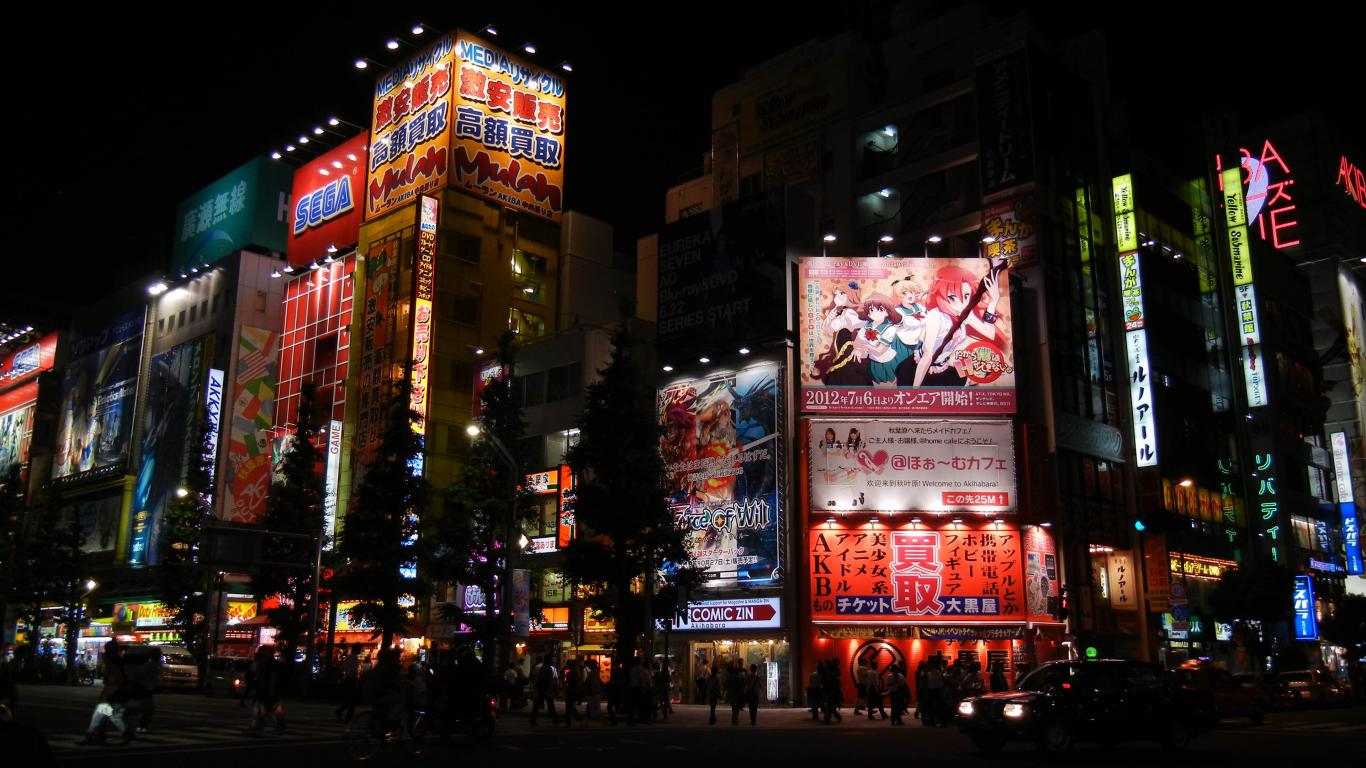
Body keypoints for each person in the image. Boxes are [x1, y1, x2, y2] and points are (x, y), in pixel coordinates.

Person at [80, 640, 131, 745]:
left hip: (111, 694)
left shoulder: (112, 662)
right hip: (114, 694)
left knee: (102, 716)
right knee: (109, 716)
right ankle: (100, 735)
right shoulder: (118, 661)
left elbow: (118, 678)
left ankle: (92, 736)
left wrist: (110, 685)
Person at [249, 645, 285, 733]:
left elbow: (273, 677)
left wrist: (270, 689)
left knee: (271, 707)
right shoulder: (264, 662)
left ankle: (260, 725)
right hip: (266, 688)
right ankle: (261, 725)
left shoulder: (270, 663)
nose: (261, 653)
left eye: (263, 652)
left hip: (269, 688)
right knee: (268, 707)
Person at [529, 654, 560, 725]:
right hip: (546, 689)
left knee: (539, 705)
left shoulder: (543, 667)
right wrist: (552, 688)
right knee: (550, 705)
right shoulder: (548, 668)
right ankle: (555, 720)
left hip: (542, 688)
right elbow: (548, 679)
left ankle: (533, 719)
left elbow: (538, 678)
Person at [336, 644, 362, 722]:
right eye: (360, 649)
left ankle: (341, 712)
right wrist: (357, 681)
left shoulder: (348, 657)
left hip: (347, 678)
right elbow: (354, 672)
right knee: (353, 701)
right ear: (357, 650)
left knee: (349, 699)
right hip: (351, 680)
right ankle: (347, 717)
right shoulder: (355, 659)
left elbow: (343, 668)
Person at [583, 660, 602, 725]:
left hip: (592, 693)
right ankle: (586, 722)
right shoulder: (595, 672)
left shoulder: (592, 673)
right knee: (591, 709)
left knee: (594, 709)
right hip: (594, 693)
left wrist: (593, 693)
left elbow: (593, 683)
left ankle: (603, 721)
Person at [563, 659, 581, 726]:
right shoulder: (575, 671)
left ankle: (570, 720)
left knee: (569, 706)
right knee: (570, 705)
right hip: (573, 690)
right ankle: (576, 718)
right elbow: (577, 681)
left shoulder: (567, 670)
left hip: (569, 690)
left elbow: (565, 680)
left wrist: (565, 687)